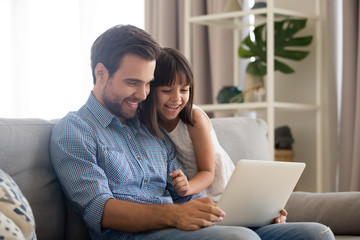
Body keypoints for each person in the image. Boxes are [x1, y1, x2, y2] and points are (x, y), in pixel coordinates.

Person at [50, 24, 335, 240]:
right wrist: (174, 214)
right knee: (241, 238)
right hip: (137, 235)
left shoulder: (150, 127)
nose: (142, 94)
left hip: (180, 224)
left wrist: (249, 213)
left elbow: (184, 194)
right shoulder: (76, 130)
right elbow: (100, 210)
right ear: (101, 73)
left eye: (148, 83)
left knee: (315, 233)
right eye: (133, 82)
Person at [140, 47, 235, 202]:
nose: (177, 99)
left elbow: (207, 172)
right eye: (167, 91)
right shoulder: (146, 121)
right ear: (150, 90)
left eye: (184, 90)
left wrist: (187, 188)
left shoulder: (194, 118)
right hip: (189, 192)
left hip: (221, 188)